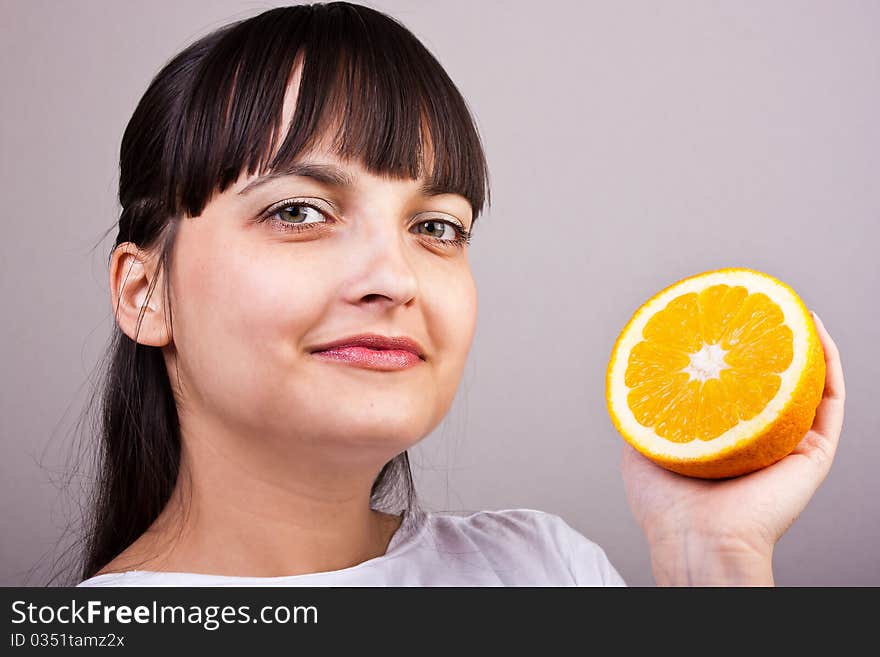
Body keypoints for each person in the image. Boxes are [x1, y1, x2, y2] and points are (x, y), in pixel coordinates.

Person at [74, 2, 845, 587]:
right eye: (299, 211)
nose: (396, 277)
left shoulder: (546, 571)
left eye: (438, 226)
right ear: (145, 293)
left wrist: (709, 556)